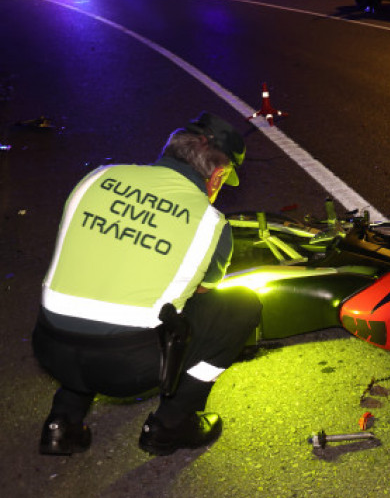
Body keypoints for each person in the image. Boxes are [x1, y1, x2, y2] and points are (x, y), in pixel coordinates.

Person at [32, 112, 261, 456]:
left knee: (96, 288)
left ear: (171, 149)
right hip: (127, 368)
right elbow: (201, 294)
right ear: (218, 175)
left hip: (49, 346)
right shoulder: (211, 222)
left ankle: (61, 422)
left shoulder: (99, 176)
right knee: (240, 307)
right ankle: (171, 424)